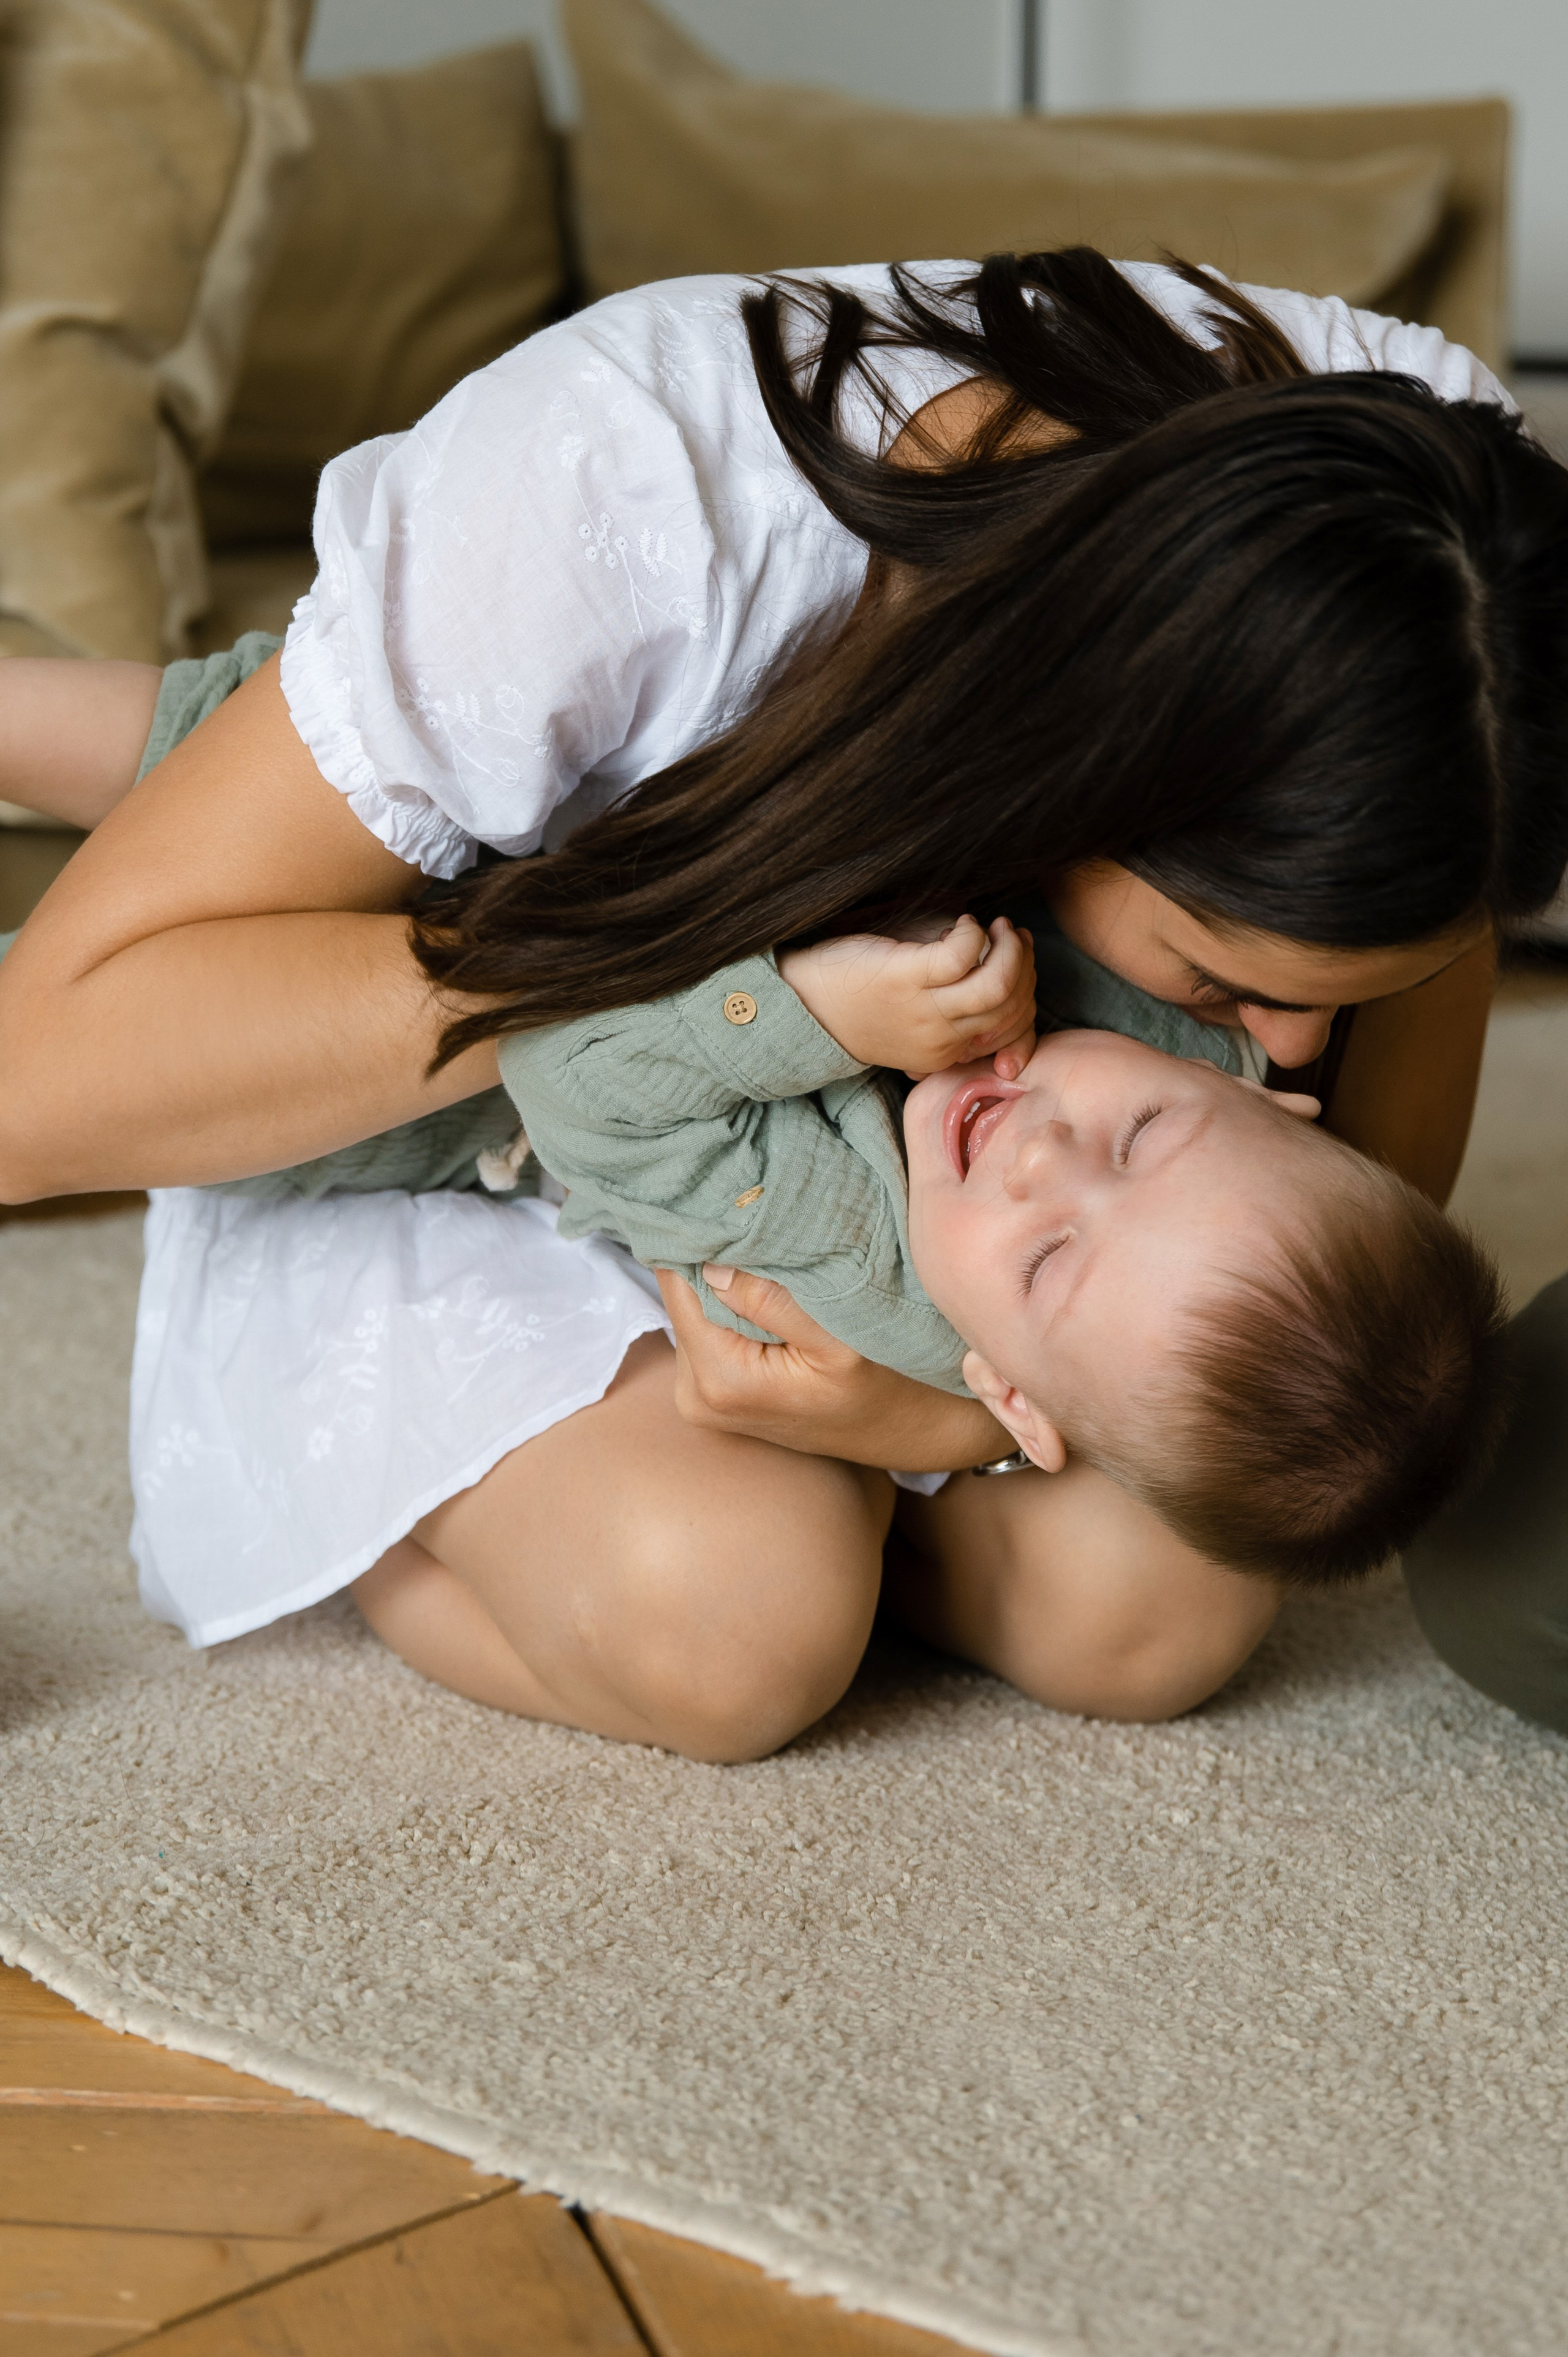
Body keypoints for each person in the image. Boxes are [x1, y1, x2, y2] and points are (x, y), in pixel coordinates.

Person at [1, 249, 1566, 1760]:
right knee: (745, 1621)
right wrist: (746, 991)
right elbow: (48, 1096)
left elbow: (1337, 1222)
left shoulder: (1453, 574)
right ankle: (363, 1520)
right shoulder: (618, 502)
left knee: (1165, 1601)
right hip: (456, 1087)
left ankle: (794, 1470)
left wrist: (939, 1415)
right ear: (1084, 779)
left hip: (777, 1184)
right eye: (1226, 982)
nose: (1282, 1059)